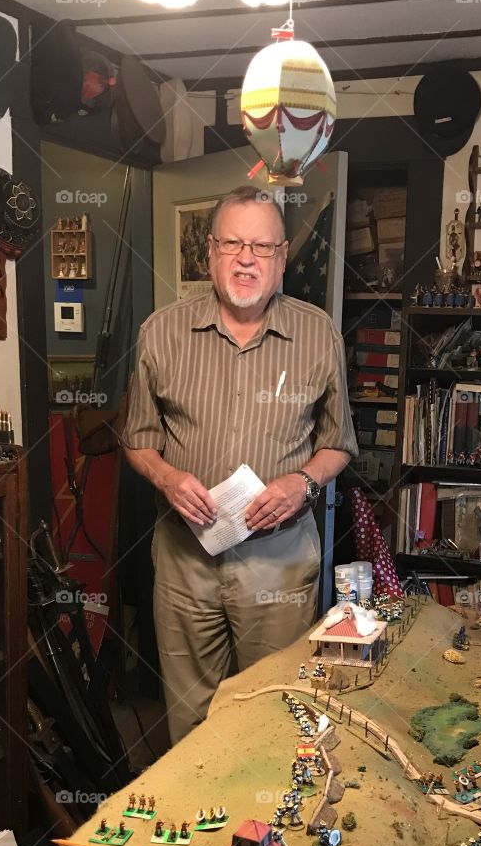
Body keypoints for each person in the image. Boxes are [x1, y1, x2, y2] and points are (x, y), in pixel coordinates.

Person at [124, 186, 357, 744]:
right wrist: (164, 476)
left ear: (281, 259)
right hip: (185, 561)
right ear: (210, 253)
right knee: (188, 719)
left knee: (275, 713)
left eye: (261, 246)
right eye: (232, 243)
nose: (246, 258)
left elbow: (340, 443)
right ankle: (201, 828)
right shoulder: (161, 332)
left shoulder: (318, 334)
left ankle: (263, 828)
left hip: (277, 562)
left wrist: (302, 481)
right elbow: (136, 438)